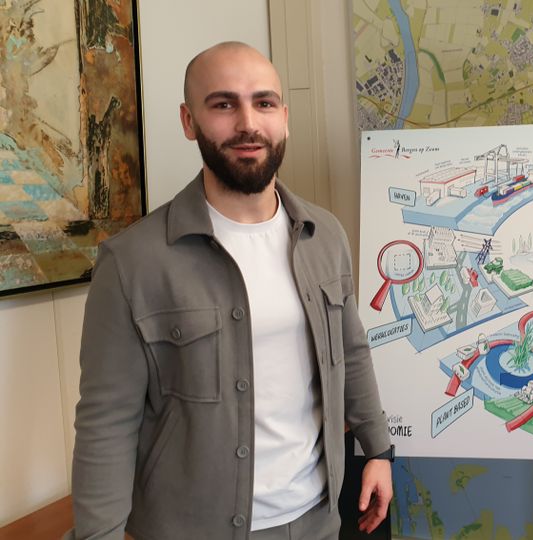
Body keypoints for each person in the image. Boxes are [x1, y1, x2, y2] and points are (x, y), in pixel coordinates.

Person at [69, 42, 393, 540]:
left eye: (264, 103)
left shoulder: (325, 235)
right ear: (189, 121)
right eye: (223, 104)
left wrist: (378, 449)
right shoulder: (131, 263)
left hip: (318, 519)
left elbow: (351, 350)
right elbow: (106, 423)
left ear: (284, 117)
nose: (248, 123)